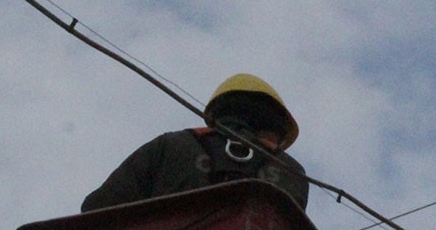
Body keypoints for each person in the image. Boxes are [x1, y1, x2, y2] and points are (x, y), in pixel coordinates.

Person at [82, 73, 310, 212]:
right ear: (271, 125)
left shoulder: (169, 146)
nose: (278, 146)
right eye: (279, 138)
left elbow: (98, 208)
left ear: (218, 114)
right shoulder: (290, 171)